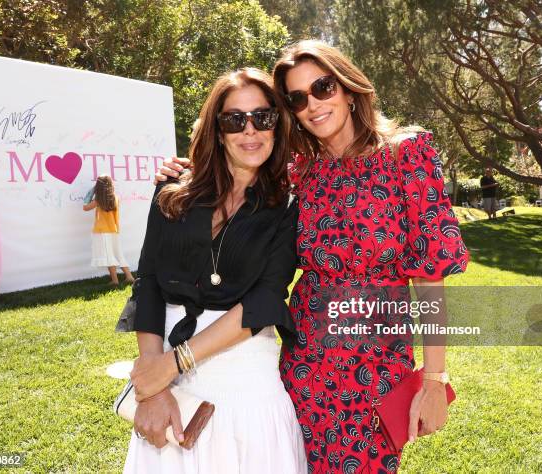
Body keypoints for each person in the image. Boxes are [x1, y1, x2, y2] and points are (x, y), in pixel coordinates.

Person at [157, 40, 470, 473]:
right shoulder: (300, 169)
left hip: (376, 366)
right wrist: (187, 172)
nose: (313, 105)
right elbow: (239, 173)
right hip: (303, 363)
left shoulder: (407, 154)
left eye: (323, 87)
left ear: (346, 86)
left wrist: (435, 380)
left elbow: (430, 277)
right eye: (297, 98)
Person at [123, 68, 306, 473]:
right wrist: (153, 384)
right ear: (217, 129)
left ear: (278, 124)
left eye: (263, 117)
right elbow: (149, 280)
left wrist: (172, 365)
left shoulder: (288, 206)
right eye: (234, 119)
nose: (250, 130)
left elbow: (265, 299)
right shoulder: (173, 190)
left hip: (245, 381)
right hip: (166, 373)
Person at [83, 175, 134, 286]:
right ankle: (129, 276)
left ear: (98, 186)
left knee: (109, 255)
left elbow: (85, 207)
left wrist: (91, 192)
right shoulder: (115, 197)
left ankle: (115, 280)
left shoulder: (99, 200)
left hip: (102, 231)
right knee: (117, 253)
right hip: (113, 230)